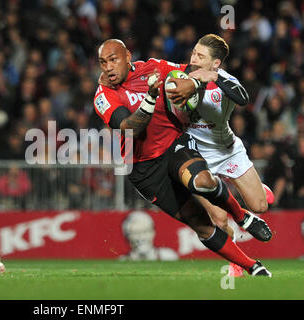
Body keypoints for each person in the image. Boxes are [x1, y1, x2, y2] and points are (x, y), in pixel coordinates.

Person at [94, 39, 271, 276]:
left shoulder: (154, 67)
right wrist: (150, 99)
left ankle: (243, 217)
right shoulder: (102, 95)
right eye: (103, 63)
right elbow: (128, 127)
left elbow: (184, 71)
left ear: (127, 56)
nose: (107, 68)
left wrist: (195, 80)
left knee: (204, 182)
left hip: (177, 146)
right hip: (143, 170)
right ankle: (251, 266)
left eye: (113, 60)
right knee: (203, 224)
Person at [179, 34, 276, 276]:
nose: (193, 59)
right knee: (220, 221)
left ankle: (254, 188)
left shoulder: (225, 80)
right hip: (198, 159)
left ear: (216, 63)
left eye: (200, 56)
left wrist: (214, 78)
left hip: (228, 151)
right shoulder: (180, 78)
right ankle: (238, 261)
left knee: (260, 207)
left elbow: (243, 98)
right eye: (193, 53)